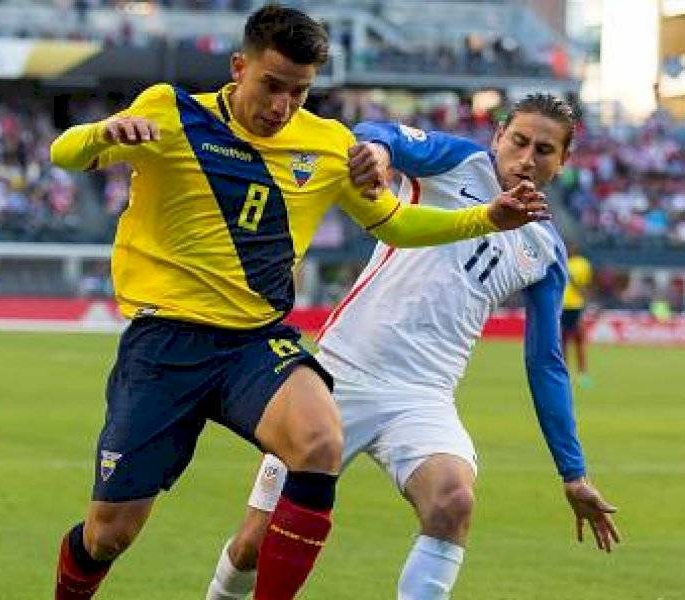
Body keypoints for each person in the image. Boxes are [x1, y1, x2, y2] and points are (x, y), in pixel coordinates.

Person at [47, 6, 549, 599]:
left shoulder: (329, 145)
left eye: (300, 92)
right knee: (109, 535)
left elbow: (393, 223)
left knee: (319, 440)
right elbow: (65, 154)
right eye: (272, 85)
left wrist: (484, 218)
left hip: (253, 343)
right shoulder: (170, 111)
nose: (282, 106)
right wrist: (102, 134)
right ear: (239, 67)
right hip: (165, 343)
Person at [205, 95, 621, 600]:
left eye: (545, 150)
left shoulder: (547, 251)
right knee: (255, 544)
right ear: (498, 137)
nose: (527, 158)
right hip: (338, 376)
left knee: (453, 502)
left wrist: (573, 473)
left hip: (423, 398)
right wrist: (379, 153)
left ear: (564, 160)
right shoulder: (458, 162)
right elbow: (383, 133)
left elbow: (546, 363)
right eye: (519, 141)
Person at [561, 243, 593, 387]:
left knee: (578, 340)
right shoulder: (561, 260)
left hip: (575, 305)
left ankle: (582, 373)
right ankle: (565, 373)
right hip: (562, 305)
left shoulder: (582, 264)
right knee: (563, 341)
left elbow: (585, 284)